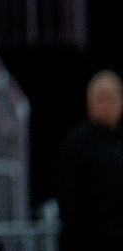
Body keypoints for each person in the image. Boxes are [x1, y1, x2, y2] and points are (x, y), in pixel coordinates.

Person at [58, 69, 123, 249]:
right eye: (101, 98)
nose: (107, 105)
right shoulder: (76, 143)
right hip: (87, 238)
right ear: (89, 103)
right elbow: (68, 200)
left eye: (112, 98)